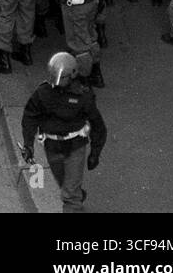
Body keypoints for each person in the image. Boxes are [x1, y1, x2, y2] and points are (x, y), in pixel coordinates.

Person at [21, 51, 108, 212]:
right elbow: (30, 117)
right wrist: (28, 145)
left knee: (69, 195)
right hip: (52, 147)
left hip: (75, 147)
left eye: (61, 77)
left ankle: (74, 202)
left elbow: (98, 125)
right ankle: (76, 194)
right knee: (65, 185)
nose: (55, 81)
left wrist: (95, 152)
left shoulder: (83, 96)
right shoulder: (43, 93)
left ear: (72, 75)